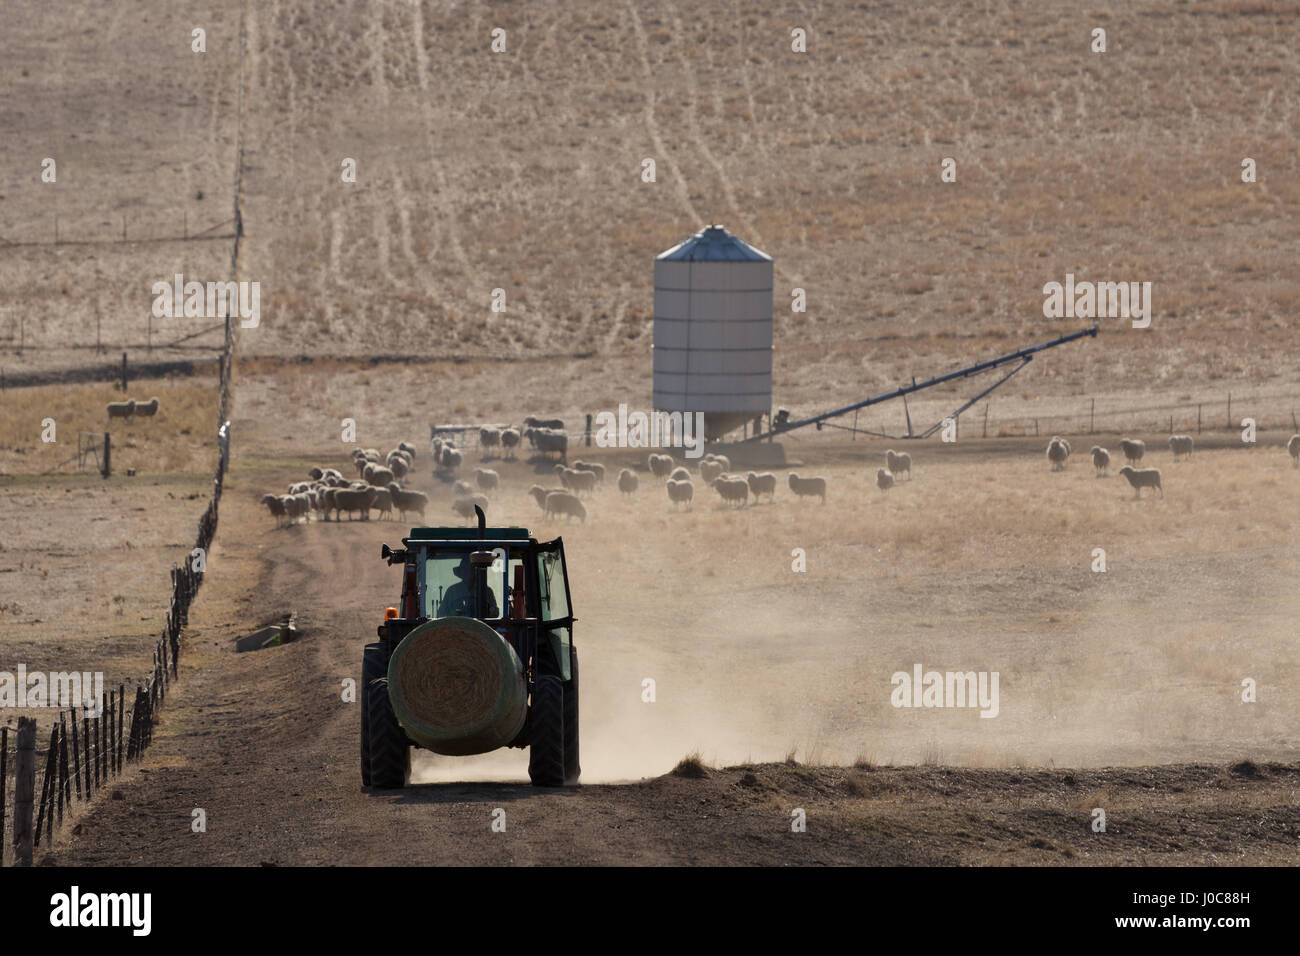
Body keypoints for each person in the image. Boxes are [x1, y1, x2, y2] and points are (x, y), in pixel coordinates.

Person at [437, 553, 499, 618]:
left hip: (479, 624)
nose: (468, 572)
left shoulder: (487, 591)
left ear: (476, 572)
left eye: (471, 570)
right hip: (456, 624)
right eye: (465, 569)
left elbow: (495, 614)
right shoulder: (452, 591)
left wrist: (490, 610)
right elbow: (441, 614)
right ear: (461, 572)